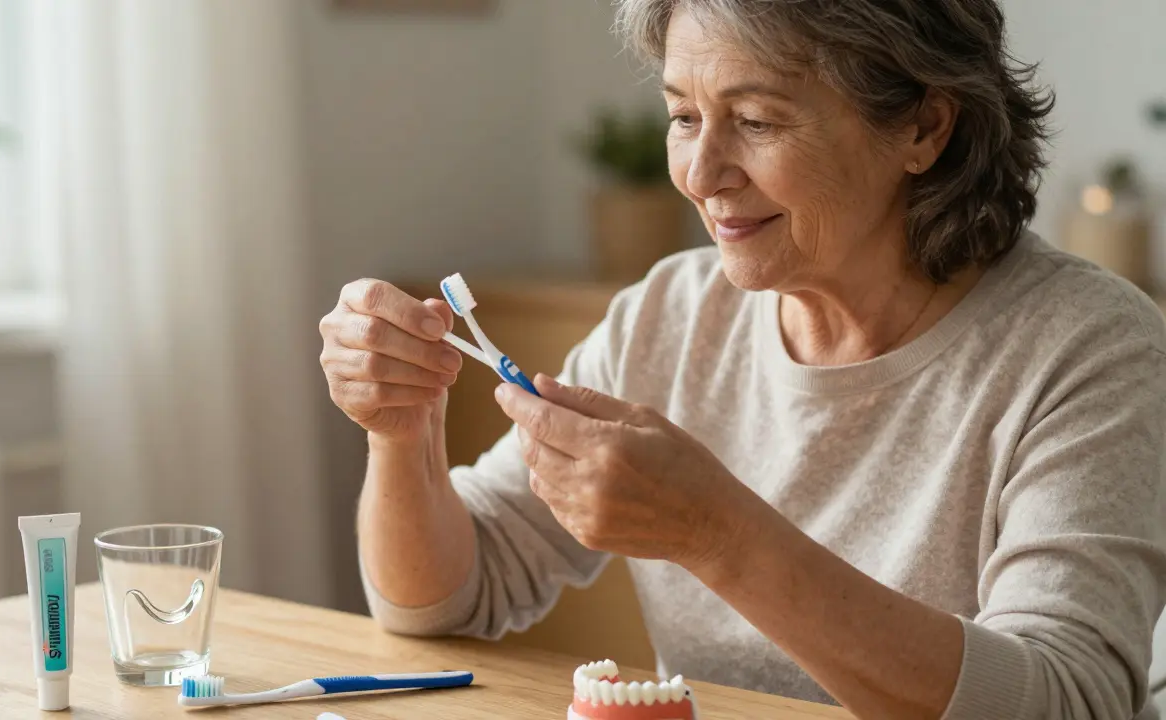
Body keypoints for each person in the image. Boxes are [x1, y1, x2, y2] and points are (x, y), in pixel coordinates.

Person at [318, 1, 1166, 718]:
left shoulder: (1087, 348)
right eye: (683, 117)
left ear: (922, 126)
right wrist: (401, 433)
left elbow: (1070, 700)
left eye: (756, 121)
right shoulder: (672, 312)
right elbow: (444, 598)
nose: (701, 174)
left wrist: (718, 535)